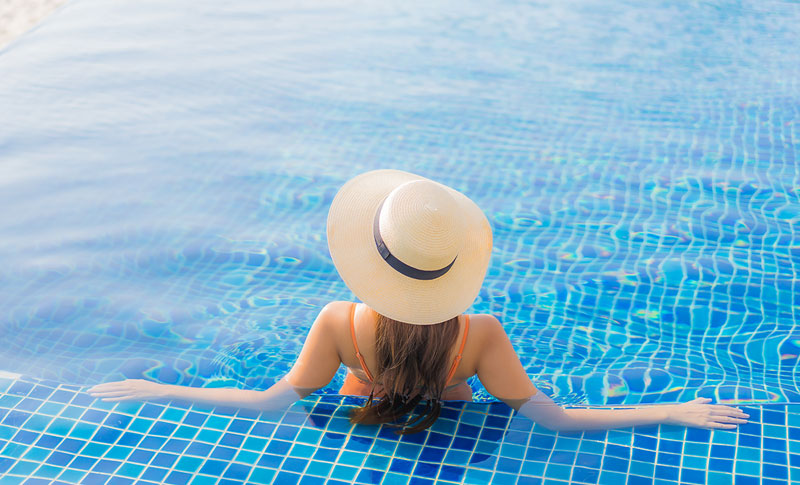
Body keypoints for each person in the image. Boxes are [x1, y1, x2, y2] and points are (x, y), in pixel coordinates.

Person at [89, 169, 749, 434]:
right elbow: (559, 421)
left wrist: (156, 388)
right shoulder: (480, 334)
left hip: (356, 418)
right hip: (452, 429)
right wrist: (674, 409)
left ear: (374, 256)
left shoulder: (339, 322)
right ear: (454, 265)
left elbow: (269, 399)